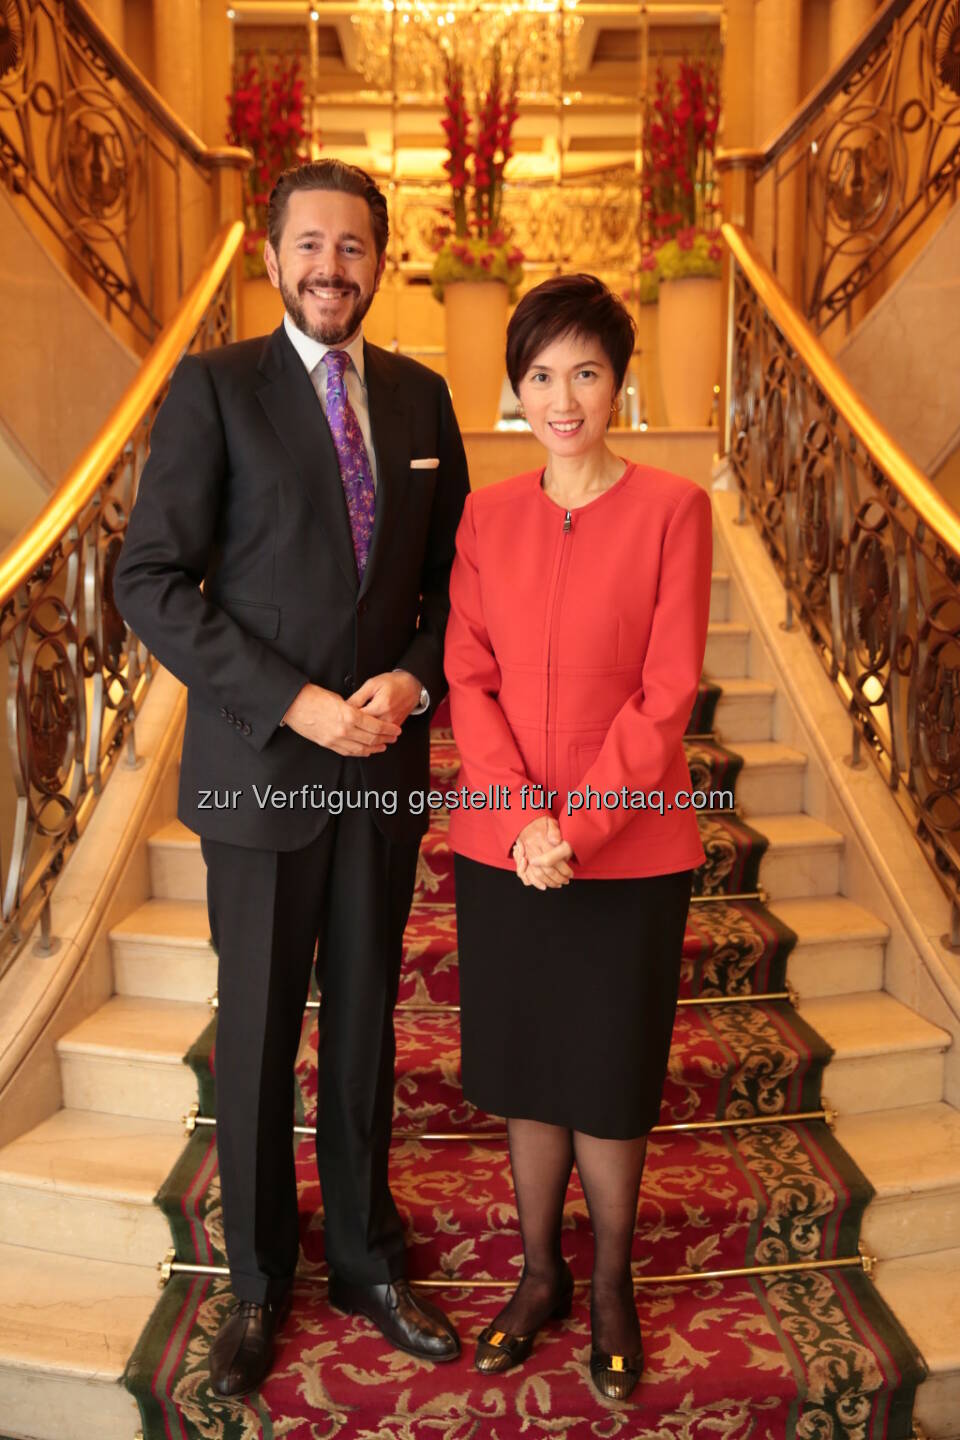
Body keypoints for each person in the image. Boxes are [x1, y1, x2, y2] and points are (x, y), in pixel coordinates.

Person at [113, 158, 470, 1396]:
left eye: (355, 247)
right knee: (261, 1034)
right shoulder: (214, 390)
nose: (332, 268)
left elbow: (452, 587)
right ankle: (259, 1281)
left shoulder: (424, 401)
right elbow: (149, 579)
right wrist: (300, 702)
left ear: (382, 260)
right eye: (310, 245)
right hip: (261, 775)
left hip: (382, 771)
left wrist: (413, 682)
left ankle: (368, 1257)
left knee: (368, 1025)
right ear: (272, 259)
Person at [443, 273, 713, 1401]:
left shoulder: (673, 509)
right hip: (505, 846)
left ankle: (609, 1284)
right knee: (526, 1070)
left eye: (587, 373)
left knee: (606, 1070)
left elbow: (667, 692)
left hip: (631, 846)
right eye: (543, 375)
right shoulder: (486, 514)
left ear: (620, 384)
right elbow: (468, 673)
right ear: (516, 389)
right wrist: (518, 823)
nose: (564, 397)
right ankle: (540, 1271)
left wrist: (580, 827)